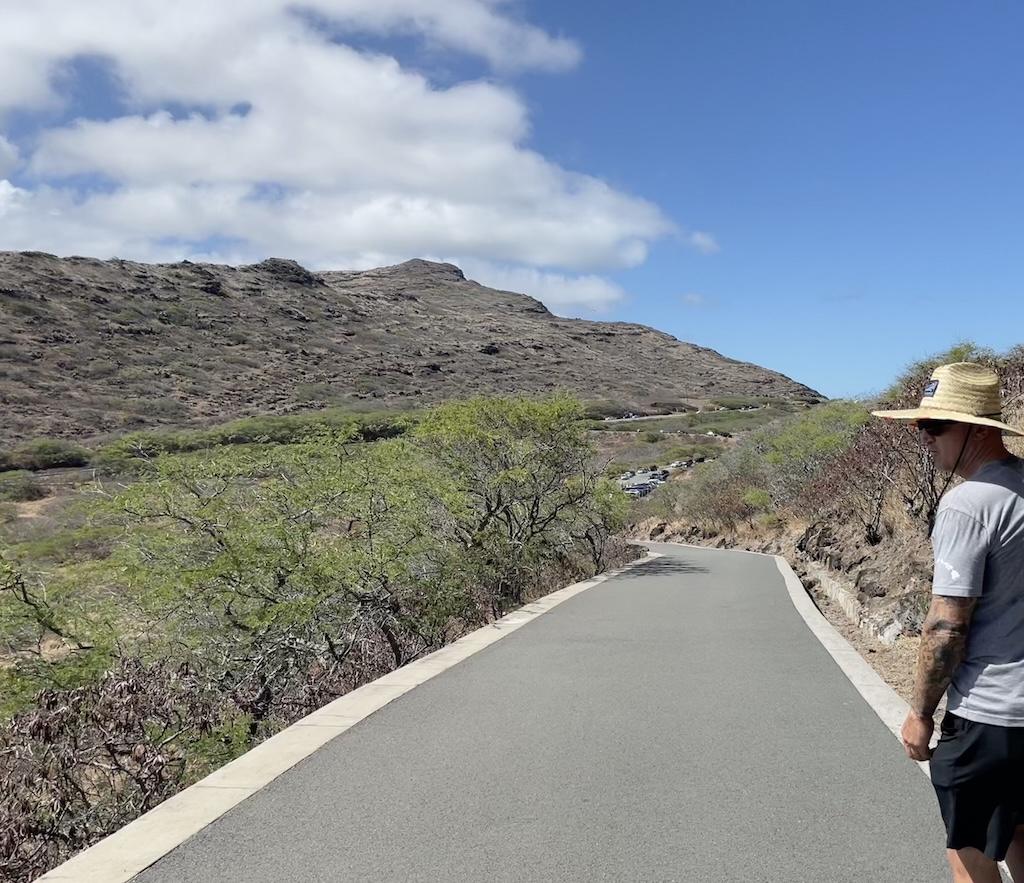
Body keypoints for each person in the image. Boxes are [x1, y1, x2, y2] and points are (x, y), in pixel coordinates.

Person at [873, 362, 1024, 883]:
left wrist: (920, 712)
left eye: (935, 427)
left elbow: (946, 628)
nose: (924, 439)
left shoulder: (968, 504)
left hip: (991, 715)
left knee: (969, 852)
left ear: (978, 431)